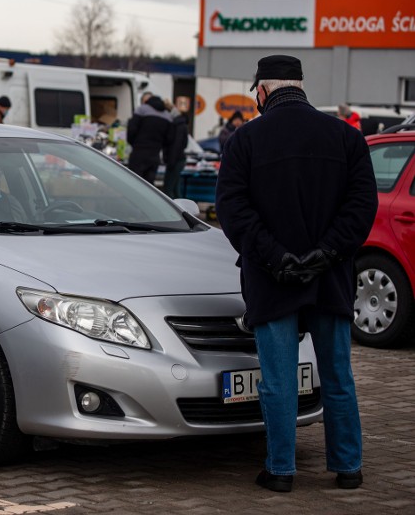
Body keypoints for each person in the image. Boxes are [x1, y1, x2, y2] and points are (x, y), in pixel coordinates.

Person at [215, 55, 378, 493]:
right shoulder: (347, 137)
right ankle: (348, 468)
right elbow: (362, 208)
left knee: (279, 381)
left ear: (262, 91)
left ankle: (281, 470)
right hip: (332, 279)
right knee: (338, 376)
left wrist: (277, 258)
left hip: (272, 280)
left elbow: (233, 210)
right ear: (301, 87)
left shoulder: (244, 140)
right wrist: (326, 253)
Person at [125, 94, 173, 184]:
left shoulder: (142, 109)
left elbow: (132, 129)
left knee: (133, 182)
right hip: (155, 154)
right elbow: (169, 138)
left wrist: (134, 143)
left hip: (139, 152)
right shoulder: (167, 116)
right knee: (149, 185)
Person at [162, 106, 190, 199]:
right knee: (175, 189)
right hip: (179, 159)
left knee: (168, 189)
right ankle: (181, 210)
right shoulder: (182, 125)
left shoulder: (176, 125)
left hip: (174, 160)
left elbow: (175, 145)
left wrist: (170, 161)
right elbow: (184, 144)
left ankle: (174, 211)